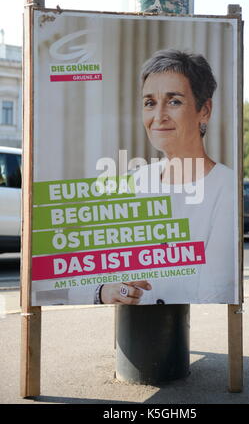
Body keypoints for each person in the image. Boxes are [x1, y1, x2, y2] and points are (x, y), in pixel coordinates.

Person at [94, 49, 237, 305]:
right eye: (150, 103)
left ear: (204, 110)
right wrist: (105, 291)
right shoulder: (132, 181)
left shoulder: (227, 188)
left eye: (174, 101)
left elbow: (215, 294)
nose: (158, 116)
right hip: (131, 333)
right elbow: (87, 272)